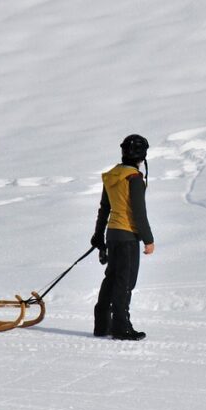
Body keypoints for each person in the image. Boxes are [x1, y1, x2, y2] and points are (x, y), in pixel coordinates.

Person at [90, 134, 154, 340]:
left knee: (111, 278)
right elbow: (138, 212)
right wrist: (148, 239)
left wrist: (98, 235)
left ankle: (102, 324)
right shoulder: (133, 178)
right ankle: (121, 326)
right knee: (125, 282)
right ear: (142, 156)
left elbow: (104, 208)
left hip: (112, 234)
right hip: (127, 236)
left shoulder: (112, 175)